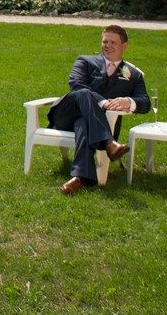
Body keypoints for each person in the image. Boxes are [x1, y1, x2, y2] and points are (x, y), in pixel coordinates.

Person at [51, 24, 150, 194]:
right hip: (66, 115)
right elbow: (76, 85)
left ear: (124, 46)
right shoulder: (85, 61)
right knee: (82, 92)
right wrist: (104, 103)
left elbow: (145, 103)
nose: (108, 45)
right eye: (105, 41)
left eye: (113, 42)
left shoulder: (133, 75)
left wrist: (129, 101)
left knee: (83, 124)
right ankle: (108, 143)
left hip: (95, 124)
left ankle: (80, 178)